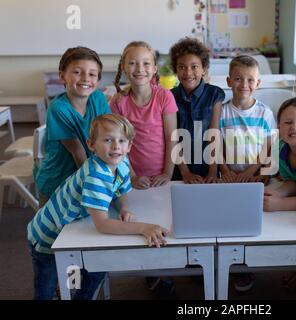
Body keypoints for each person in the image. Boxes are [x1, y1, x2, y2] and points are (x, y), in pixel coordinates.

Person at [27, 114, 169, 300]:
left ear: (129, 146)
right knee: (47, 285)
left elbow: (121, 189)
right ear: (91, 145)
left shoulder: (122, 161)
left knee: (94, 270)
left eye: (121, 140)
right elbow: (103, 224)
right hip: (48, 235)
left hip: (71, 230)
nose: (116, 146)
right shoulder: (96, 175)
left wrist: (124, 208)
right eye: (108, 140)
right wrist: (144, 227)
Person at [35, 46, 110, 207]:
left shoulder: (98, 99)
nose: (85, 78)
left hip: (86, 177)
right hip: (57, 184)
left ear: (98, 80)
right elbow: (78, 151)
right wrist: (95, 187)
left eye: (92, 74)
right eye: (77, 72)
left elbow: (109, 137)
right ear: (62, 76)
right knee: (53, 231)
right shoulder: (58, 108)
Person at [110, 41, 178, 189]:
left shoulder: (164, 97)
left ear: (154, 68)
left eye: (146, 63)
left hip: (163, 177)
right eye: (133, 63)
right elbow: (119, 143)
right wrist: (132, 176)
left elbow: (171, 138)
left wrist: (167, 173)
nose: (140, 69)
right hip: (131, 178)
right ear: (123, 67)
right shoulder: (118, 102)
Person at [169, 37, 225, 183]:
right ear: (176, 70)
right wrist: (185, 173)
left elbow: (215, 134)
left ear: (204, 69)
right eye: (182, 67)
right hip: (180, 171)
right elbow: (173, 137)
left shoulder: (214, 94)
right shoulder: (170, 96)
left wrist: (213, 170)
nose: (188, 72)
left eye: (194, 66)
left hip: (208, 169)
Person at [219, 55, 276, 184]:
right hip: (230, 177)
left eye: (250, 80)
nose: (244, 84)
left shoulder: (265, 113)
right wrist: (225, 171)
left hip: (255, 176)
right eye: (238, 79)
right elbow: (217, 147)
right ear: (229, 81)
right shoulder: (222, 112)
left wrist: (251, 172)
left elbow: (269, 147)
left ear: (258, 83)